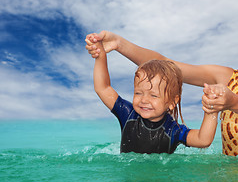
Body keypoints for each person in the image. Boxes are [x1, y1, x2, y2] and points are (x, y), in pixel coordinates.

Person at [85, 30, 238, 156]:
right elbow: (103, 88)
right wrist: (100, 56)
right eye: (138, 93)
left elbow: (203, 140)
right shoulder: (128, 114)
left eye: (153, 95)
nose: (144, 100)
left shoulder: (172, 130)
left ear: (173, 101)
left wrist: (212, 108)